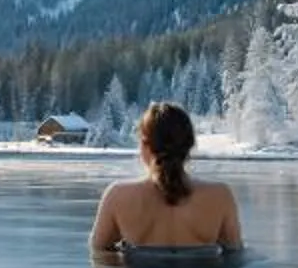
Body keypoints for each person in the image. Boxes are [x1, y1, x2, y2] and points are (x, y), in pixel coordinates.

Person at [89, 102, 242, 259]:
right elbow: (235, 254)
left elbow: (100, 255)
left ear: (144, 145)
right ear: (189, 145)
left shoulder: (118, 196)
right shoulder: (220, 196)